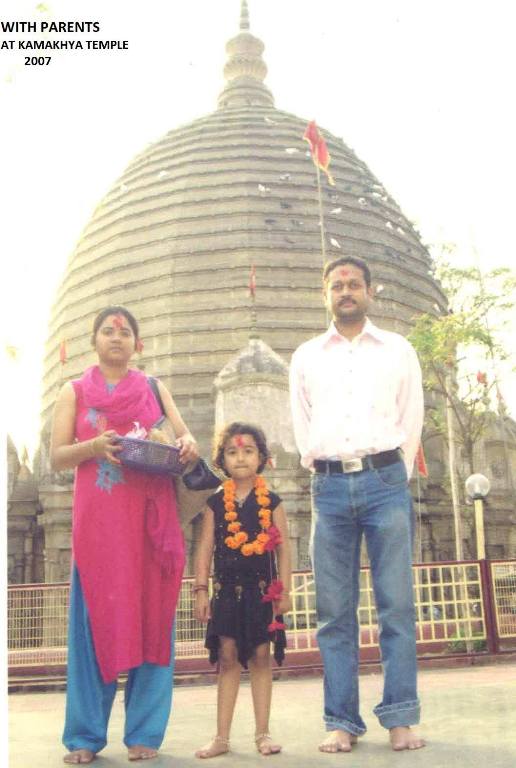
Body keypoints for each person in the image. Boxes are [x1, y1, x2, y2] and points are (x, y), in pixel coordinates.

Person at [50, 306, 199, 764]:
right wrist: (94, 447)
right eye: (107, 331)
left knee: (153, 621)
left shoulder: (155, 388)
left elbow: (184, 438)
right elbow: (57, 456)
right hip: (98, 529)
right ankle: (83, 737)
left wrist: (188, 443)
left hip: (149, 526)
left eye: (125, 332)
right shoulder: (73, 391)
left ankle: (144, 733)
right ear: (93, 340)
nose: (116, 337)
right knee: (91, 627)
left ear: (139, 344)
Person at [289, 256, 425, 753]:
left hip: (384, 479)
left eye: (354, 284)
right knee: (334, 613)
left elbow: (412, 416)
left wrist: (393, 470)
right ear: (325, 294)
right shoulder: (306, 356)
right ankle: (341, 720)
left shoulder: (398, 349)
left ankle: (401, 717)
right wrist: (323, 466)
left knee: (396, 606)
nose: (346, 291)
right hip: (328, 485)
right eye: (336, 285)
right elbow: (301, 422)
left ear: (371, 291)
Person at [193, 422, 292, 758]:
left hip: (263, 592)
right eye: (232, 452)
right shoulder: (215, 504)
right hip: (226, 593)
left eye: (248, 451)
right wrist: (201, 590)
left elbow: (284, 550)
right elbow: (205, 548)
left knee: (262, 657)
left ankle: (263, 734)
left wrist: (285, 591)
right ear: (221, 459)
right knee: (228, 657)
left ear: (261, 457)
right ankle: (221, 737)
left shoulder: (273, 502)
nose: (241, 458)